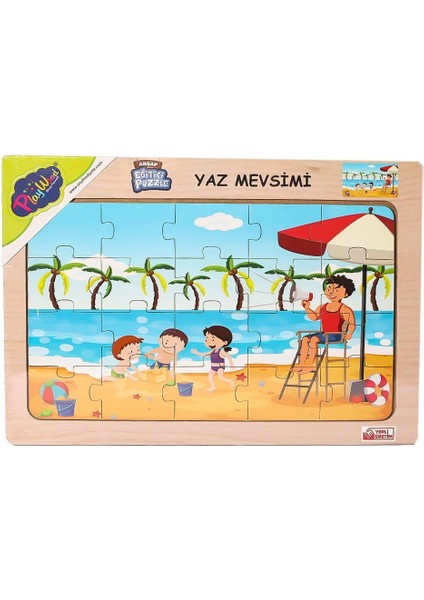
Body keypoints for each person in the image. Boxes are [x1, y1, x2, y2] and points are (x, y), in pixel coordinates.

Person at [292, 275, 356, 374]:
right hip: (324, 334)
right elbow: (314, 317)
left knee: (314, 339)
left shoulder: (344, 309)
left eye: (336, 290)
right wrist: (307, 308)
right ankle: (301, 365)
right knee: (305, 339)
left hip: (336, 335)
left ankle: (310, 366)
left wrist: (349, 334)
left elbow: (352, 323)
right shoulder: (323, 306)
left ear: (346, 294)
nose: (331, 293)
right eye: (329, 289)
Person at [191, 325, 235, 392]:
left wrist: (232, 365)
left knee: (221, 377)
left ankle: (231, 382)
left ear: (225, 342)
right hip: (213, 367)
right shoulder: (213, 351)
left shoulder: (222, 351)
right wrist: (196, 352)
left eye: (213, 339)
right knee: (210, 377)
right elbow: (204, 354)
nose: (208, 341)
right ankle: (213, 387)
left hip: (220, 367)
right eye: (207, 338)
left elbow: (229, 356)